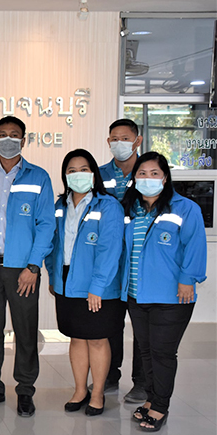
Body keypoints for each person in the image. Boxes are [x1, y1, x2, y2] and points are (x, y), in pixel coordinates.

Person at [0, 116, 55, 417]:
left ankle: (25, 390)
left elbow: (46, 224)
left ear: (24, 140)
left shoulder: (39, 177)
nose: (8, 140)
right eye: (2, 135)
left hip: (23, 269)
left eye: (14, 134)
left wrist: (33, 266)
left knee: (25, 330)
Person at [121, 152, 206, 432]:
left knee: (163, 353)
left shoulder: (185, 208)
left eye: (154, 173)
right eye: (142, 173)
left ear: (165, 177)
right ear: (135, 178)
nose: (148, 178)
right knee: (145, 351)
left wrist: (188, 279)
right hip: (137, 294)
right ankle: (151, 398)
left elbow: (195, 246)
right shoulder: (131, 209)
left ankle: (160, 406)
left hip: (172, 296)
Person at [45, 149, 124, 416]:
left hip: (97, 284)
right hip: (67, 281)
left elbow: (110, 250)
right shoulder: (59, 206)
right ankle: (80, 390)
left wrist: (97, 287)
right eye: (71, 170)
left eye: (83, 170)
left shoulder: (108, 205)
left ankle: (98, 393)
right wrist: (54, 276)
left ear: (93, 174)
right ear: (64, 175)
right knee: (77, 337)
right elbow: (52, 244)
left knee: (97, 339)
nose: (77, 175)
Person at [98, 118, 146, 403]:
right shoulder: (99, 174)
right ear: (108, 142)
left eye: (125, 138)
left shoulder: (148, 173)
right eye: (114, 139)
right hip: (110, 264)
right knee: (110, 324)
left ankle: (142, 382)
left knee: (142, 327)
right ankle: (109, 375)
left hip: (139, 261)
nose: (119, 143)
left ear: (137, 141)